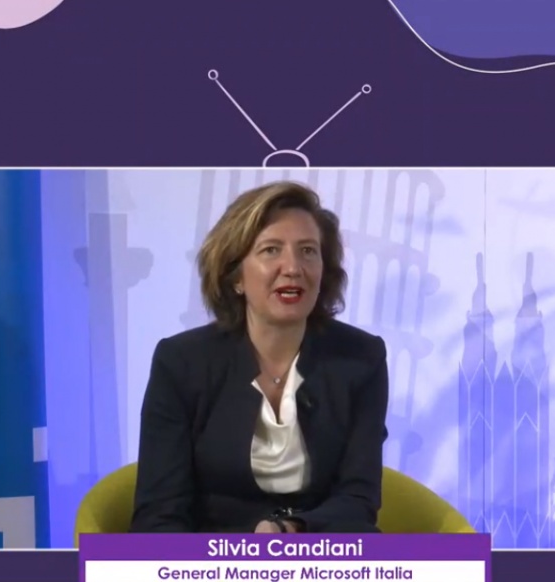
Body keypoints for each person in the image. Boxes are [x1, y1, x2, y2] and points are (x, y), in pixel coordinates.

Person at [129, 180, 390, 535]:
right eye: (271, 250)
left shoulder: (362, 358)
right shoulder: (181, 363)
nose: (293, 267)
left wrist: (290, 530)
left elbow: (358, 498)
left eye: (308, 251)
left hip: (321, 549)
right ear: (235, 276)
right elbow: (160, 512)